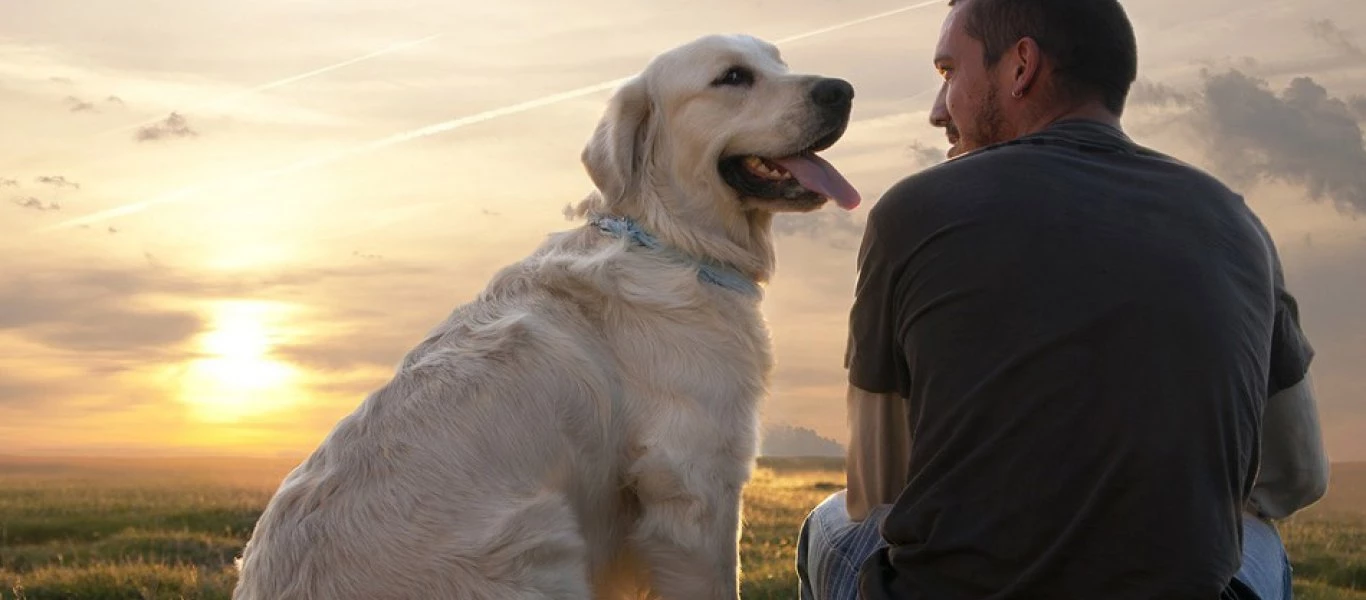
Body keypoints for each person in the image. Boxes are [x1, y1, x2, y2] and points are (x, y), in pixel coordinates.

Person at [794, 0, 1332, 598]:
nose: (937, 109)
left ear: (1021, 65)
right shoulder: (1238, 224)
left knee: (832, 523)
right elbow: (1297, 477)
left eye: (948, 72)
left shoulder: (911, 211)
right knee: (1256, 538)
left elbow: (878, 488)